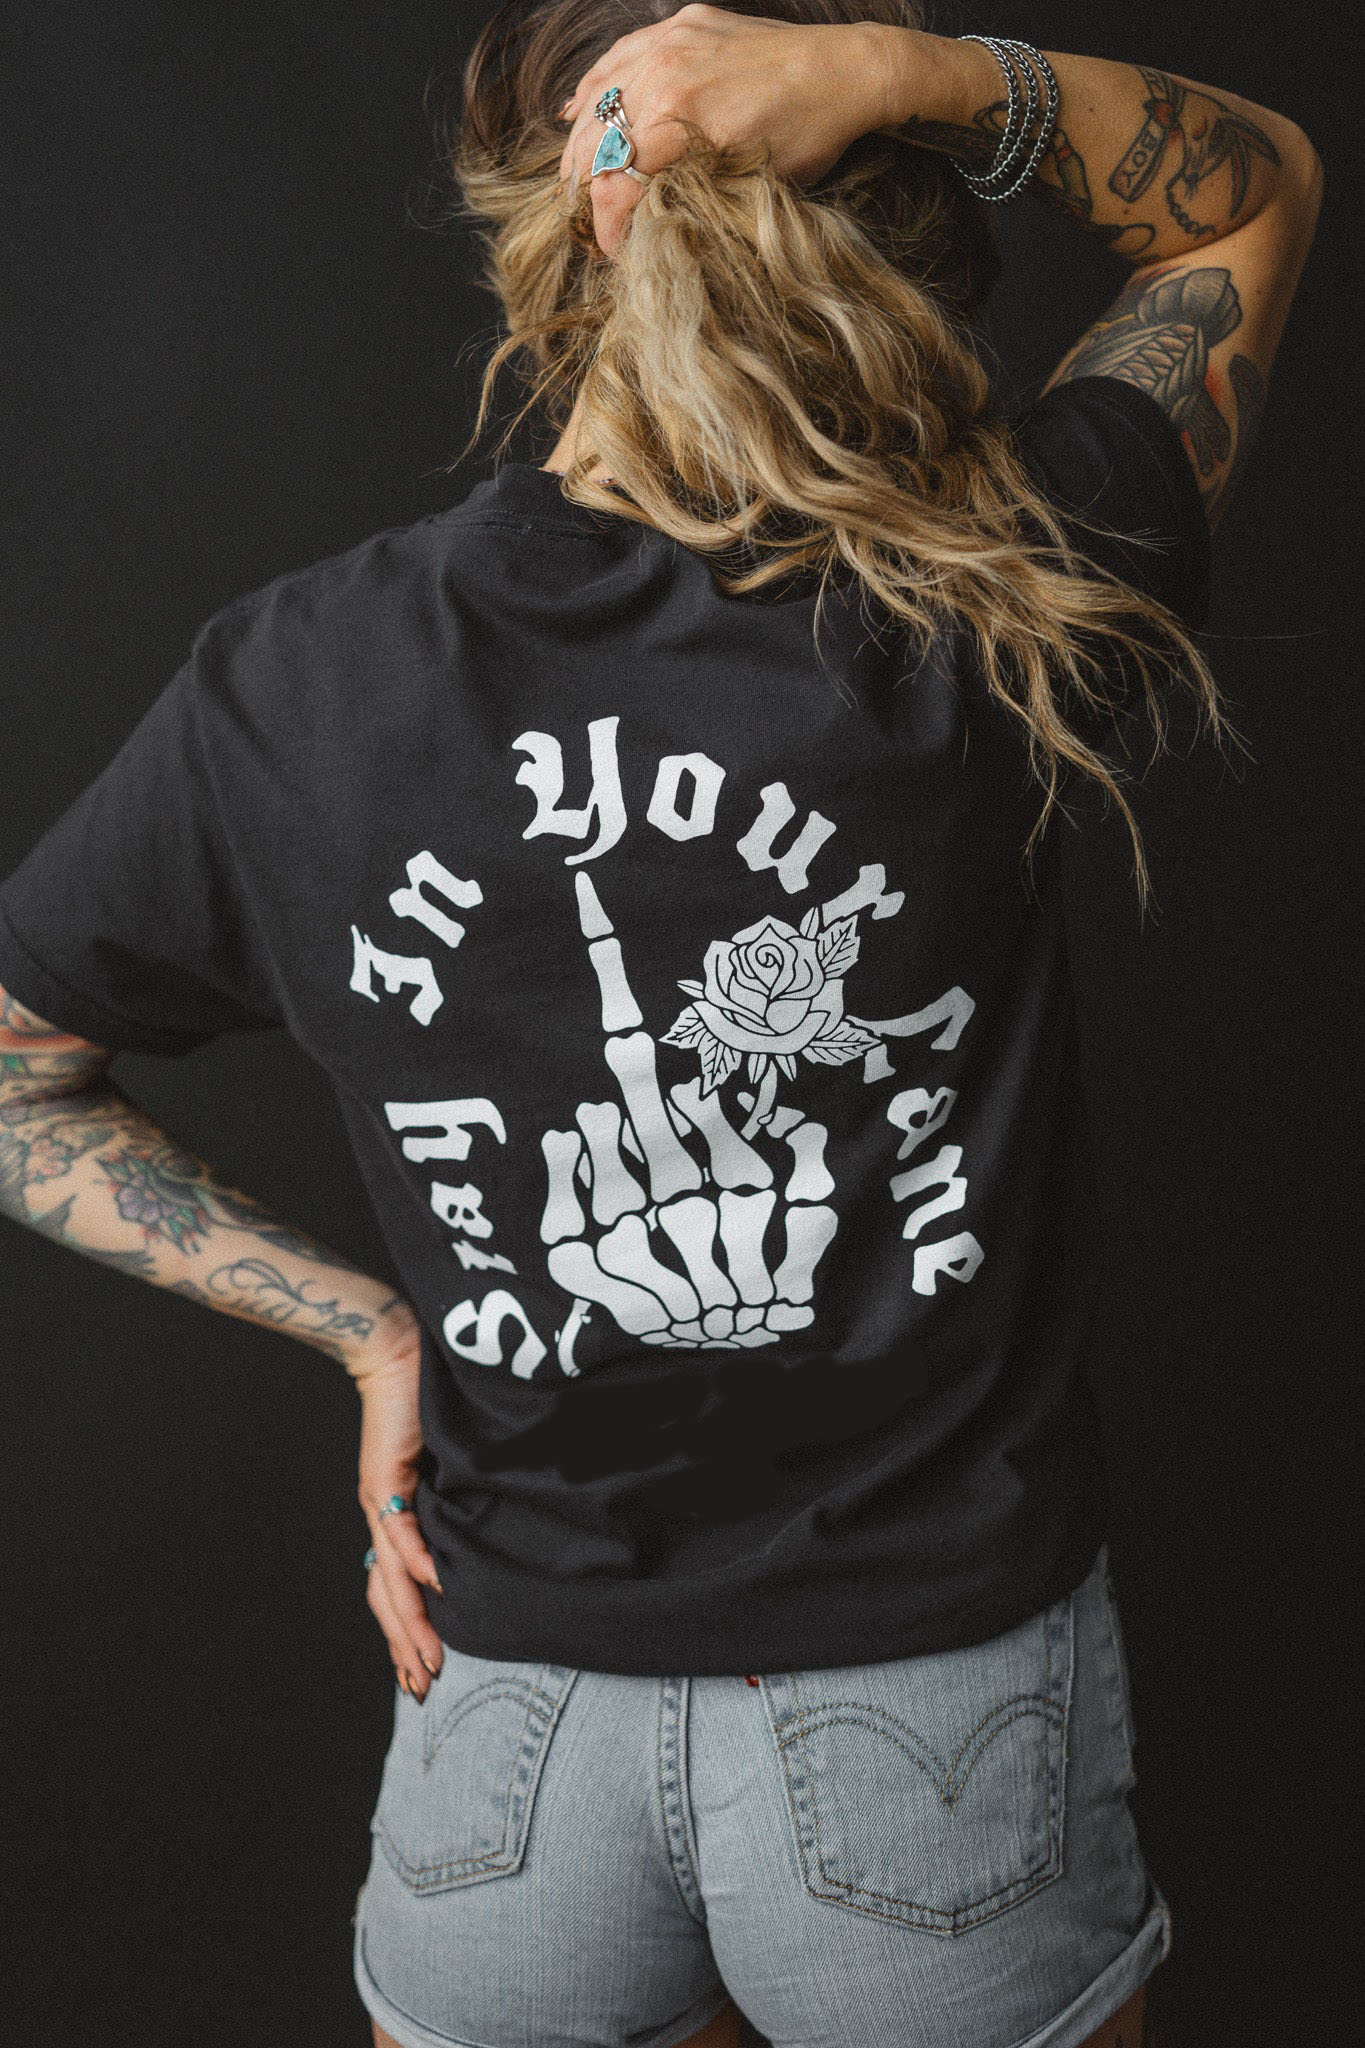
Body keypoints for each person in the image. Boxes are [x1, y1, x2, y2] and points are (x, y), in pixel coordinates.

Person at [0, 3, 1321, 2043]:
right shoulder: (992, 585)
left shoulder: (295, 683)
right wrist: (898, 69)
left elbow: (14, 1078)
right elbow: (1247, 194)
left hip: (506, 1744)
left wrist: (372, 1335)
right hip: (933, 1737)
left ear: (537, 225)